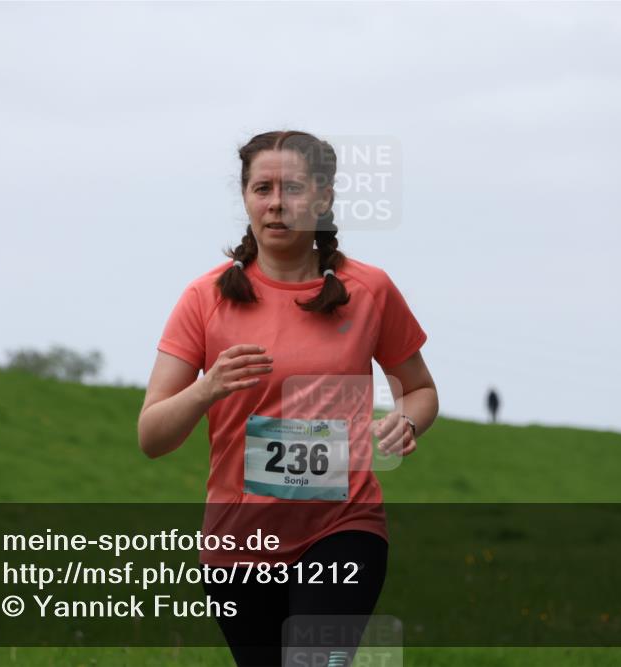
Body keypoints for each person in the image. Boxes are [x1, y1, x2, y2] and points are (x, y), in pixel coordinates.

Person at [137, 130, 439, 666]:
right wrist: (207, 388)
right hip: (237, 546)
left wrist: (406, 422)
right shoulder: (204, 299)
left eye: (293, 188)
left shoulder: (369, 291)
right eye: (262, 188)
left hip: (343, 529)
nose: (276, 203)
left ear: (323, 197)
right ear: (247, 197)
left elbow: (418, 389)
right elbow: (152, 436)